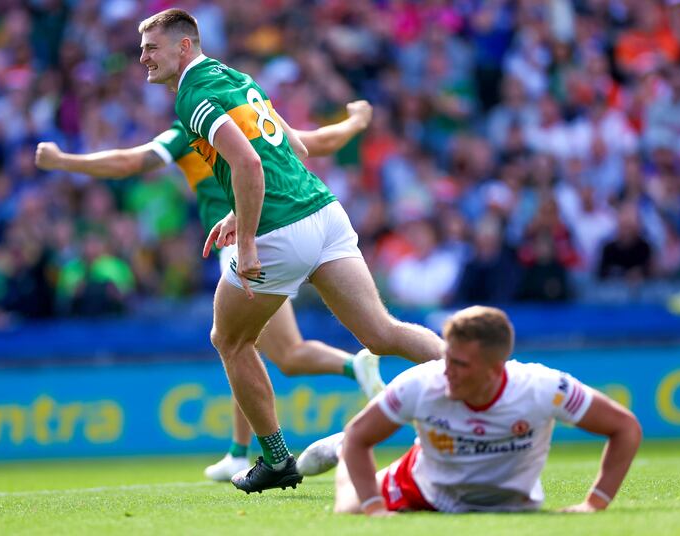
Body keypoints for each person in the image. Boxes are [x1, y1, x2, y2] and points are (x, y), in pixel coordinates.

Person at [137, 9, 444, 493]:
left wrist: (247, 240)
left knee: (230, 340)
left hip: (280, 231)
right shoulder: (238, 79)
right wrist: (352, 123)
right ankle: (487, 384)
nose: (142, 58)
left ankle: (276, 459)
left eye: (151, 48)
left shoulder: (194, 95)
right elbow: (294, 147)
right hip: (324, 212)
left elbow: (250, 165)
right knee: (383, 332)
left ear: (183, 47)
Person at [35, 101, 384, 481]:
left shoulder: (187, 130)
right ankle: (249, 444)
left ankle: (253, 449)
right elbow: (317, 141)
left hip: (244, 241)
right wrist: (356, 122)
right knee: (272, 351)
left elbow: (130, 163)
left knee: (239, 343)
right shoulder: (249, 122)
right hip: (291, 231)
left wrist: (63, 161)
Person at [298, 306, 641, 515]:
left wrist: (595, 503)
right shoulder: (421, 383)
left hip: (512, 503)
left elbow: (625, 427)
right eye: (447, 358)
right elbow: (361, 435)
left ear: (496, 369)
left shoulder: (544, 387)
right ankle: (339, 452)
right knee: (350, 507)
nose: (447, 370)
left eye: (460, 364)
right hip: (424, 486)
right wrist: (373, 509)